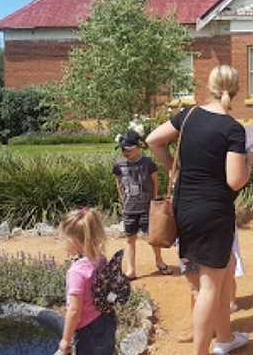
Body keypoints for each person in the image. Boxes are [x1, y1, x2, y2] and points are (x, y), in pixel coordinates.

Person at [147, 65, 252, 355]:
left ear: (210, 86)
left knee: (209, 282)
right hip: (214, 212)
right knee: (210, 286)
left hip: (184, 208)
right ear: (236, 89)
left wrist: (173, 169)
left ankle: (226, 338)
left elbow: (153, 140)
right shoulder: (233, 129)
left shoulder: (189, 115)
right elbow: (234, 180)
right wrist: (249, 167)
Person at [113, 130, 175, 279]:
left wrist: (154, 203)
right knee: (130, 239)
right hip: (129, 209)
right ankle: (131, 270)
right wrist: (123, 200)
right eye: (122, 149)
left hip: (147, 208)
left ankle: (159, 262)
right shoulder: (119, 165)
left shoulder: (148, 163)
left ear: (138, 147)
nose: (124, 152)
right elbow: (119, 183)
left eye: (128, 149)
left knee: (153, 237)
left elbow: (155, 183)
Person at [58, 207, 116, 355]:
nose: (62, 243)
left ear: (74, 241)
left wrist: (65, 340)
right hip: (107, 319)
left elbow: (74, 310)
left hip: (88, 331)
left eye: (64, 239)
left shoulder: (76, 272)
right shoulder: (101, 259)